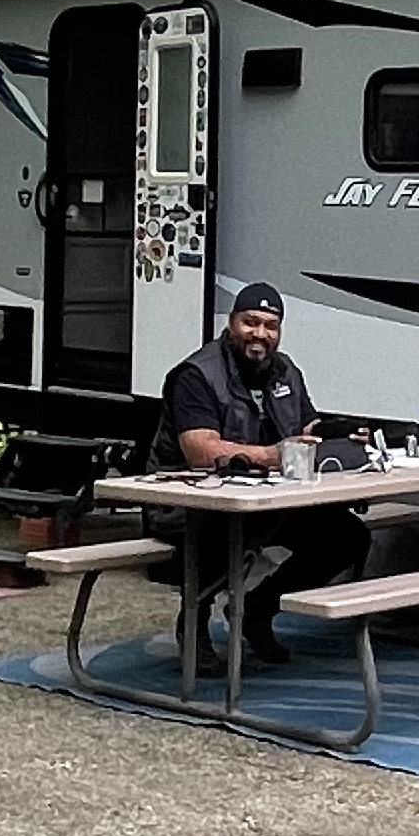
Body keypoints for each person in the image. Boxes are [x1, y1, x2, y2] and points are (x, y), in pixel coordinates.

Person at [157, 283, 364, 663]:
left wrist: (341, 435)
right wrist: (272, 456)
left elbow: (306, 428)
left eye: (270, 326)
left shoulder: (285, 370)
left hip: (267, 499)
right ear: (231, 323)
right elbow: (201, 451)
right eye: (250, 322)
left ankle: (259, 610)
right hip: (187, 503)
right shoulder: (197, 375)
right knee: (224, 530)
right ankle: (193, 625)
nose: (260, 334)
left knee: (346, 536)